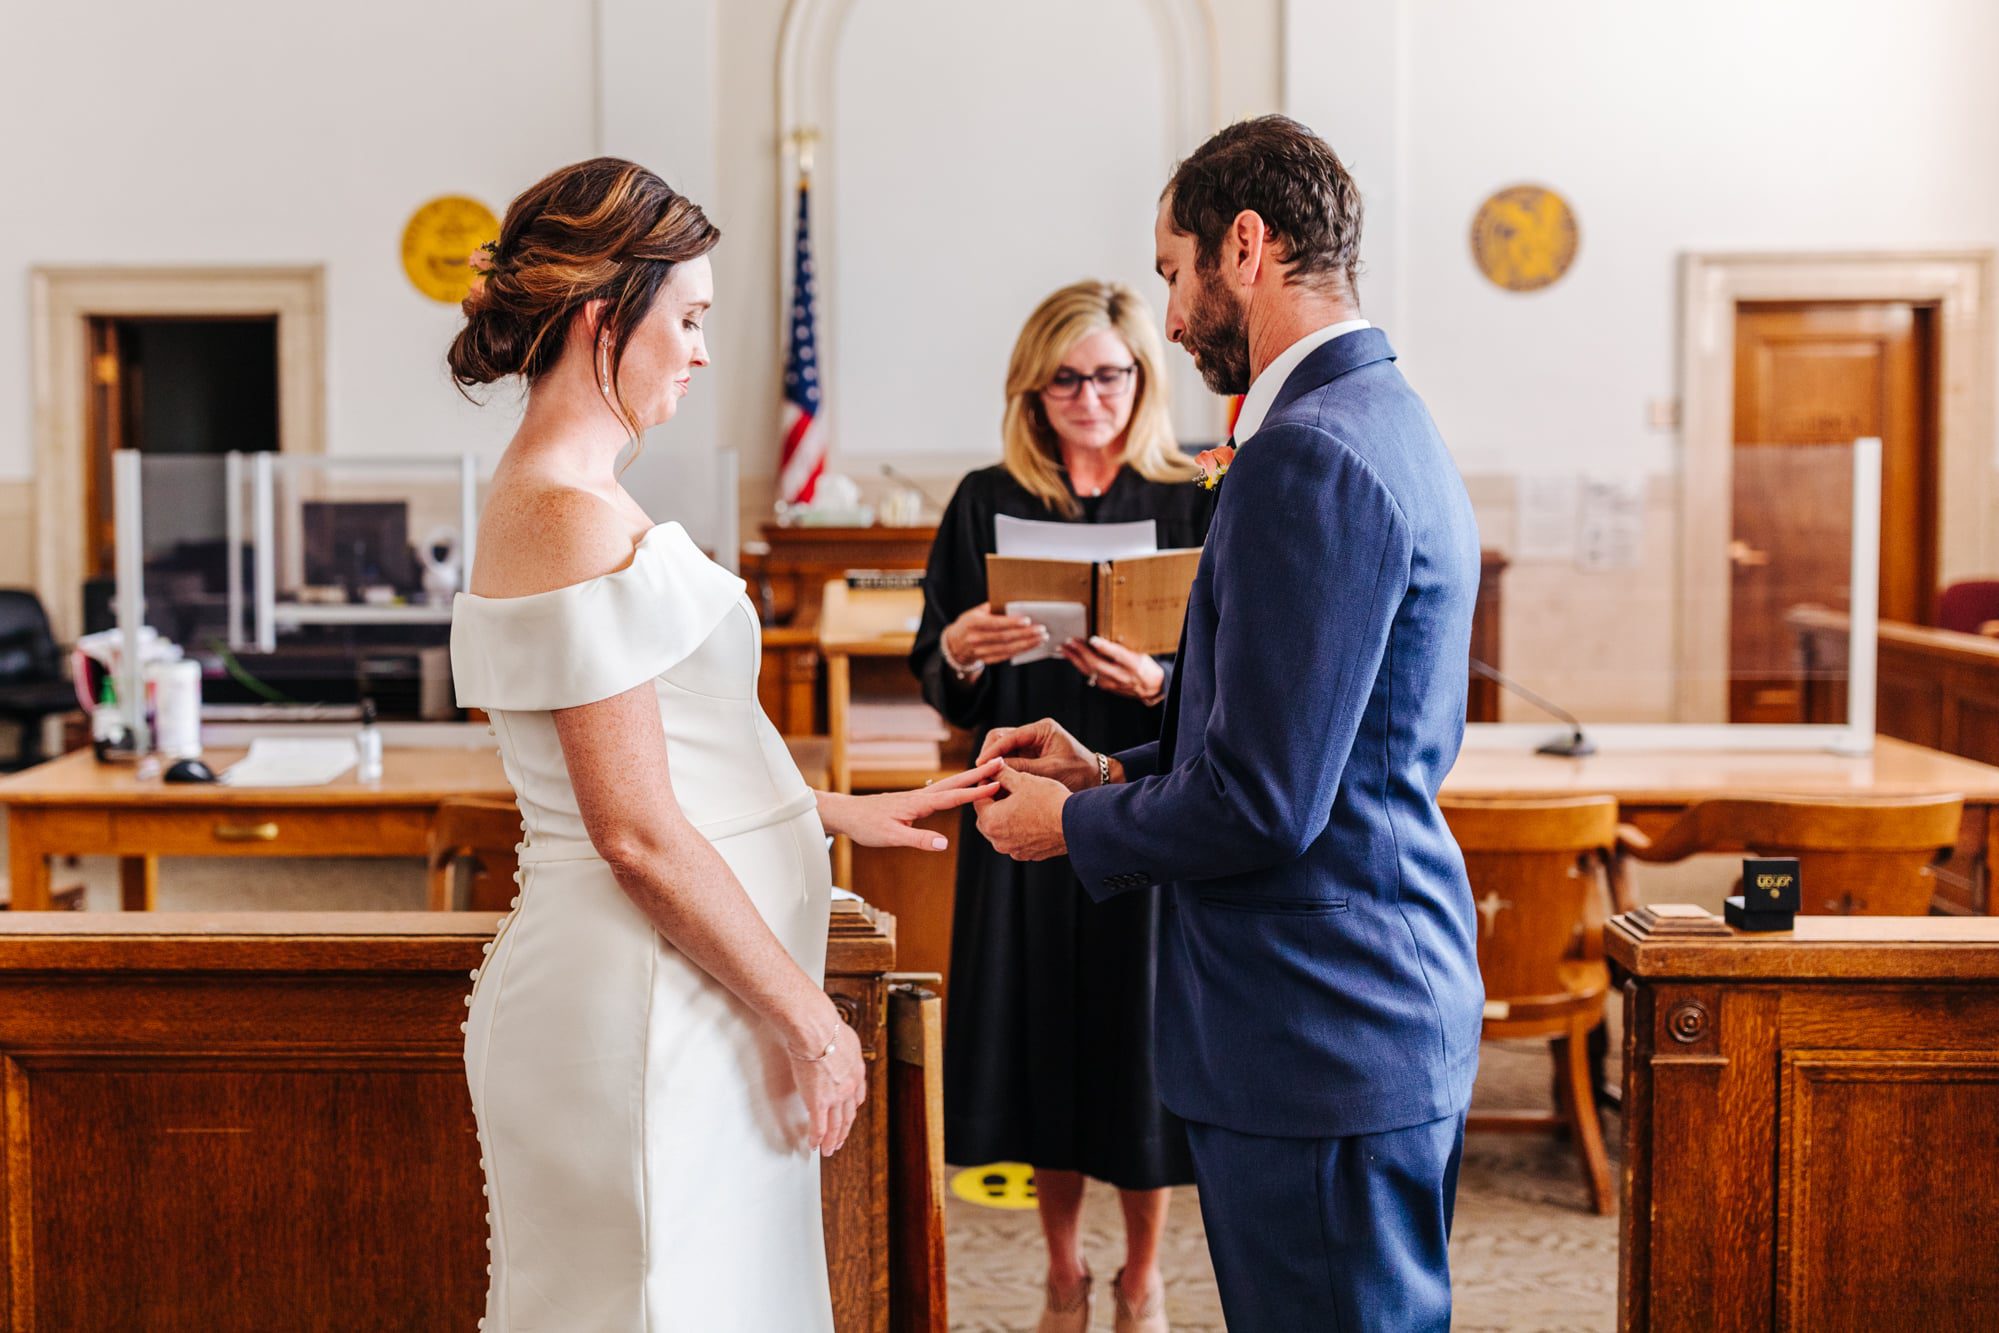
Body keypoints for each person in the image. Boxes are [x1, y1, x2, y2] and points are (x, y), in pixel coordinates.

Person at [446, 157, 1001, 1332]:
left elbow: (672, 745)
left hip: (691, 997)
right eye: (687, 319)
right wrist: (812, 1019)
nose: (701, 351)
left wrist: (826, 813)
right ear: (607, 315)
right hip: (642, 1002)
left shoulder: (582, 496)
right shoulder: (562, 512)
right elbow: (636, 832)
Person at [973, 117, 1486, 1331]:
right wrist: (1105, 760)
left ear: (1242, 246)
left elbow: (1264, 797)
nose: (1170, 308)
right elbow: (1303, 736)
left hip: (1321, 1020)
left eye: (1171, 268)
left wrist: (1076, 824)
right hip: (1344, 1006)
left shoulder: (1309, 453)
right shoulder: (1377, 416)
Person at [911, 280, 1211, 1333]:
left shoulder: (1193, 497)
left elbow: (1232, 675)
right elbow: (936, 666)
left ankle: (1140, 1274)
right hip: (1019, 803)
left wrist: (1160, 681)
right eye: (1066, 379)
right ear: (1033, 390)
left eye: (1111, 375)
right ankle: (1059, 1268)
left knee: (1138, 1046)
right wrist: (956, 648)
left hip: (1144, 801)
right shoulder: (987, 495)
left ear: (1143, 378)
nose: (1090, 398)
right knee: (1044, 1041)